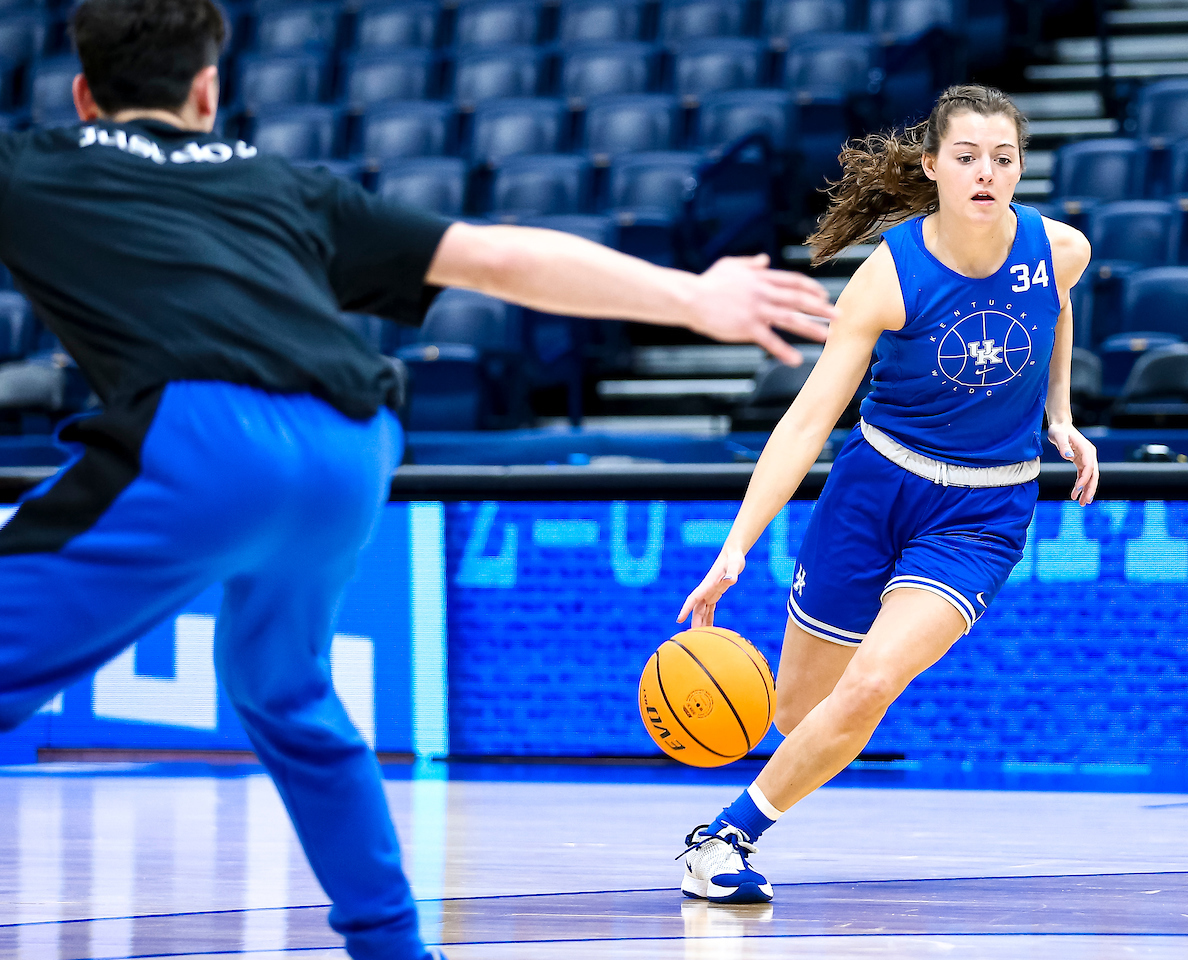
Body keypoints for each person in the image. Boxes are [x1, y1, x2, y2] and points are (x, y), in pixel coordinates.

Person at [0, 1, 836, 958]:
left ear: (80, 95)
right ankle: (394, 947)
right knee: (285, 691)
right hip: (352, 441)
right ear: (208, 90)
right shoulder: (284, 182)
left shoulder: (36, 167)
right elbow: (494, 254)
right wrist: (694, 296)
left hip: (207, 438)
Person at [674, 85, 1099, 904]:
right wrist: (735, 550)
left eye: (1003, 159)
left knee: (872, 683)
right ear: (935, 166)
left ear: (1020, 169)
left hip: (982, 514)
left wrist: (1061, 414)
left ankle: (721, 840)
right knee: (798, 712)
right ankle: (768, 776)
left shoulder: (1060, 250)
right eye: (968, 157)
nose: (987, 174)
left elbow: (1058, 311)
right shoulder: (885, 279)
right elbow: (803, 428)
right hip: (875, 490)